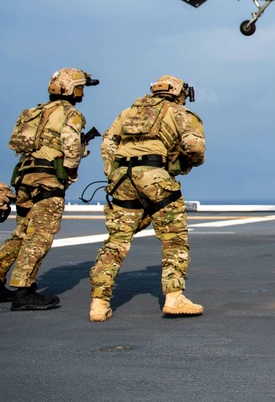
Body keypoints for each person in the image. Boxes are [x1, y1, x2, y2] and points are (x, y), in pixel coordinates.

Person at [88, 75, 206, 322]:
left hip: (122, 178)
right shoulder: (178, 112)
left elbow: (108, 143)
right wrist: (185, 164)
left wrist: (113, 173)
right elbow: (195, 147)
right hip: (154, 176)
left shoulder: (128, 112)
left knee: (117, 240)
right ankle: (174, 298)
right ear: (177, 92)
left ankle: (99, 303)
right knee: (174, 238)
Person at [0, 67, 98, 311]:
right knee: (40, 236)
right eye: (80, 88)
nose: (82, 93)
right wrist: (69, 173)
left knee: (21, 233)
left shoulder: (34, 112)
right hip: (48, 180)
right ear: (70, 89)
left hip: (24, 177)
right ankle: (24, 291)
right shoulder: (71, 113)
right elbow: (72, 148)